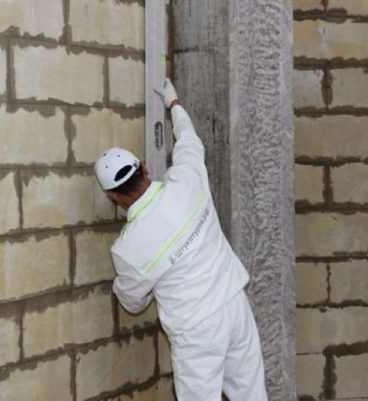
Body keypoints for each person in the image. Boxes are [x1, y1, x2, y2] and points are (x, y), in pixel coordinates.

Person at [94, 79, 268, 401]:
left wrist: (127, 283)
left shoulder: (128, 249)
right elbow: (189, 140)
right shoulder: (186, 180)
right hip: (234, 304)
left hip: (197, 329)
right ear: (144, 169)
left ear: (112, 196)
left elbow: (133, 301)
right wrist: (173, 103)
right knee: (252, 396)